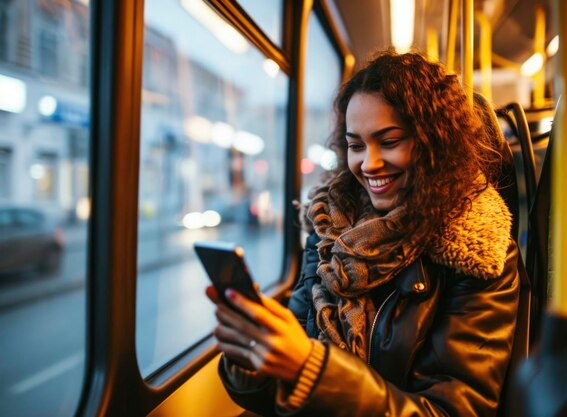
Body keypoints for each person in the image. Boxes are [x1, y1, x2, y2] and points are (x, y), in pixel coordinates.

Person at [206, 50, 520, 417]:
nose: (368, 164)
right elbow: (278, 396)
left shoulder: (478, 254)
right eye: (356, 145)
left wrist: (313, 370)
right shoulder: (331, 230)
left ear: (434, 145)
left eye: (389, 142)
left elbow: (455, 410)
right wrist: (254, 358)